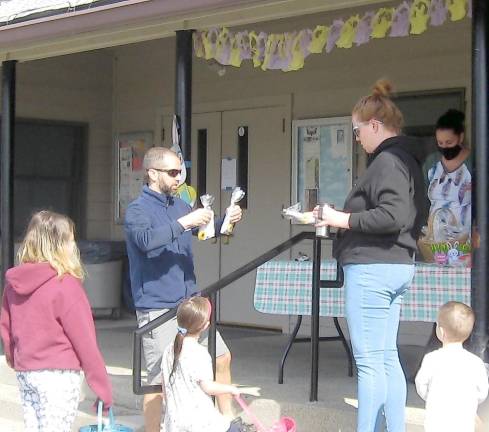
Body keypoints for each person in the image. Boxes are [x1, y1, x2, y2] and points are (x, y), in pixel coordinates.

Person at [314, 79, 427, 432]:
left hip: (373, 267)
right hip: (397, 265)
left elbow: (392, 215)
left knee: (369, 363)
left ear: (375, 126)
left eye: (357, 129)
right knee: (387, 358)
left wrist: (338, 218)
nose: (356, 137)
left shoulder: (387, 161)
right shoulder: (408, 160)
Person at [124, 146, 242, 432]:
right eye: (173, 172)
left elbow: (201, 231)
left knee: (221, 356)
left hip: (188, 304)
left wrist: (224, 221)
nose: (179, 178)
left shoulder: (178, 205)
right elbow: (146, 241)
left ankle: (227, 422)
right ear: (152, 173)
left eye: (181, 172)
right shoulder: (137, 209)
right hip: (157, 305)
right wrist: (184, 222)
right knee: (157, 378)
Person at [0, 210, 112, 432]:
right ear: (59, 246)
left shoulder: (13, 284)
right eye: (70, 240)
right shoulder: (66, 286)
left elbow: (7, 328)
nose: (74, 246)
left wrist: (14, 358)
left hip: (26, 371)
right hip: (59, 374)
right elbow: (85, 342)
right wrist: (102, 388)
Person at [162, 296, 260, 432]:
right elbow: (207, 386)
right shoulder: (199, 353)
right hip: (200, 423)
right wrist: (230, 389)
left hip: (174, 422)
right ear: (206, 326)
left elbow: (164, 386)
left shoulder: (169, 350)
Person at [415, 302, 488, 431]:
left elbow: (421, 385)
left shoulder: (431, 359)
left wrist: (431, 396)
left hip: (436, 423)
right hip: (464, 423)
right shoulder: (476, 363)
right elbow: (482, 392)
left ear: (441, 331)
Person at [426, 109, 471, 242]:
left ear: (460, 137)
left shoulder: (476, 162)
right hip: (436, 238)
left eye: (449, 142)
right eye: (440, 143)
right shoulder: (431, 163)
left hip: (467, 238)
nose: (445, 147)